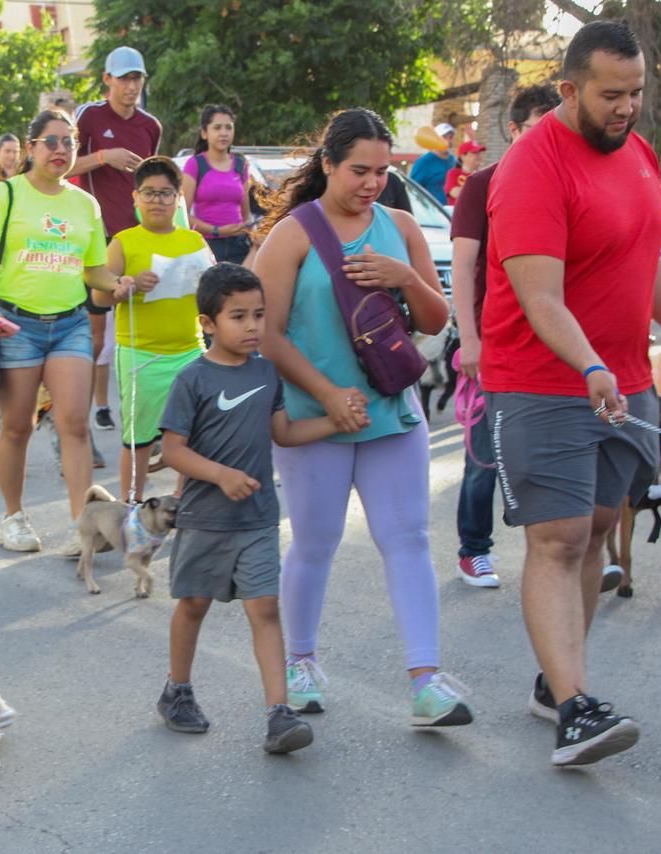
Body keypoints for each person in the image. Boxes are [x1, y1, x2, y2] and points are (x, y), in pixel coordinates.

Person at [482, 22, 661, 765]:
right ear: (569, 89)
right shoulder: (532, 167)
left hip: (623, 381)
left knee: (596, 526)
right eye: (611, 95)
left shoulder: (639, 155)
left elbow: (643, 257)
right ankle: (577, 707)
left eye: (637, 92)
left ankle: (557, 684)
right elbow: (540, 297)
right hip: (545, 382)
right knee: (558, 539)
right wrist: (591, 368)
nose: (628, 108)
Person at [256, 108, 472, 728]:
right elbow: (265, 335)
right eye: (359, 170)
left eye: (382, 170)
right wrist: (325, 394)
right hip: (314, 419)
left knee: (407, 541)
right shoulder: (294, 234)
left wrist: (405, 275)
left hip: (391, 414)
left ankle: (426, 682)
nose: (372, 182)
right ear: (328, 164)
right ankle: (300, 665)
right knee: (315, 542)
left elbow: (436, 322)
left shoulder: (399, 226)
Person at [157, 263, 362, 752]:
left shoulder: (267, 372)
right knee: (194, 605)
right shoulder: (193, 379)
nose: (252, 327)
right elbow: (172, 450)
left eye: (259, 315)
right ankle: (177, 691)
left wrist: (336, 423)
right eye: (238, 316)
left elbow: (284, 433)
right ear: (207, 322)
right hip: (205, 518)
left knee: (265, 608)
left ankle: (278, 713)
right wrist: (221, 475)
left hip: (258, 518)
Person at [0, 109, 125, 555]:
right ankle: (13, 518)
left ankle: (84, 524)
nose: (60, 151)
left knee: (73, 423)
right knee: (17, 426)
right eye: (51, 142)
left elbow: (93, 270)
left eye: (68, 143)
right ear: (31, 147)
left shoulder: (84, 204)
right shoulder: (5, 194)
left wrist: (119, 284)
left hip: (71, 322)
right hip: (16, 323)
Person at [450, 83, 560, 590]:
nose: (550, 139)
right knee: (485, 455)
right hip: (492, 342)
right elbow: (464, 267)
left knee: (556, 453)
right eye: (539, 128)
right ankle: (474, 549)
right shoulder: (483, 185)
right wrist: (469, 340)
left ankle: (570, 547)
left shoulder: (564, 181)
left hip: (552, 341)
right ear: (513, 130)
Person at [94, 156, 210, 500]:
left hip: (191, 351)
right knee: (139, 439)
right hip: (140, 357)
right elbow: (99, 299)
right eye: (149, 193)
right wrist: (124, 285)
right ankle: (133, 504)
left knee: (193, 435)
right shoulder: (124, 242)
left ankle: (181, 502)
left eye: (165, 193)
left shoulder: (195, 242)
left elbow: (215, 291)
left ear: (178, 198)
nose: (157, 201)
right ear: (135, 197)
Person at [70, 46, 162, 439]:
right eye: (123, 78)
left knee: (139, 327)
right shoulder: (88, 117)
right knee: (95, 334)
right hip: (97, 239)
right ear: (107, 79)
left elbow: (154, 184)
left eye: (136, 78)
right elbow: (63, 166)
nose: (131, 86)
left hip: (138, 238)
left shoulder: (150, 126)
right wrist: (103, 156)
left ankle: (139, 407)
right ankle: (84, 410)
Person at [181, 105, 253, 265]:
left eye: (229, 127)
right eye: (217, 127)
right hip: (207, 245)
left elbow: (246, 215)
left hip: (239, 245)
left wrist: (250, 234)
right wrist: (216, 230)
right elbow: (183, 216)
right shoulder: (195, 164)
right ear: (204, 133)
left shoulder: (241, 164)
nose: (224, 133)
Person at [409, 122, 455, 205]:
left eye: (450, 137)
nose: (447, 141)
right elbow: (412, 190)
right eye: (444, 137)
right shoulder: (424, 162)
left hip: (452, 213)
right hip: (431, 213)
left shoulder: (454, 161)